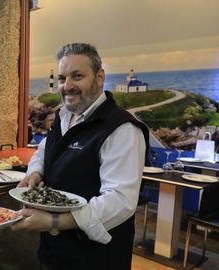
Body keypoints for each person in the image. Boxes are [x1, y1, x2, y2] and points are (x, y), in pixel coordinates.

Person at [12, 43, 149, 270]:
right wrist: (34, 172)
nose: (67, 86)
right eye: (62, 78)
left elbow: (120, 200)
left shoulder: (121, 128)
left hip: (95, 257)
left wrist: (55, 221)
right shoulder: (64, 115)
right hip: (54, 249)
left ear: (100, 77)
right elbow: (45, 148)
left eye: (77, 76)